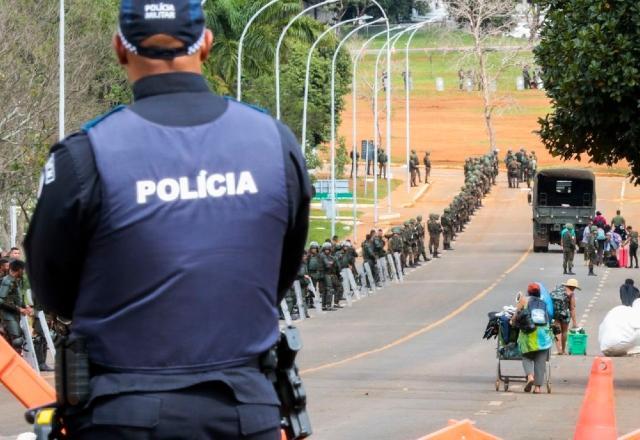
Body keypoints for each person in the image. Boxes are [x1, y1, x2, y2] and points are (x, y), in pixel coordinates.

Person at [24, 2, 311, 437]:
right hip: (246, 412)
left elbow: (53, 290)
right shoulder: (274, 143)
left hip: (122, 414)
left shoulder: (85, 156)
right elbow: (281, 271)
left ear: (120, 48)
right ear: (207, 45)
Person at [511, 283, 552, 393]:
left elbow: (516, 317)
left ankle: (530, 377)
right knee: (540, 361)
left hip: (529, 335)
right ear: (539, 293)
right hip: (543, 336)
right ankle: (537, 388)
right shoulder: (543, 303)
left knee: (526, 356)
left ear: (528, 292)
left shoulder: (523, 301)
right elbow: (548, 318)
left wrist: (513, 322)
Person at [0, 260, 30, 353]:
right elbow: (1, 300)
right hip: (7, 315)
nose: (24, 272)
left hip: (14, 315)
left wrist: (25, 306)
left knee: (15, 340)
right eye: (23, 270)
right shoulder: (7, 281)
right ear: (19, 269)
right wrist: (19, 309)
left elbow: (17, 297)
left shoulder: (16, 280)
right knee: (17, 340)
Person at [551, 279, 580, 355]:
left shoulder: (558, 289)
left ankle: (559, 350)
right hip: (565, 314)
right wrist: (574, 323)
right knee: (564, 332)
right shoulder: (571, 293)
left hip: (556, 313)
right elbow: (572, 308)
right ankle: (563, 350)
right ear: (573, 286)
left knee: (557, 331)